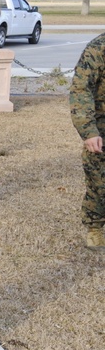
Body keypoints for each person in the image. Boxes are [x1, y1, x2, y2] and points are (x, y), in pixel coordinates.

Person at [69, 31, 105, 249]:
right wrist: (89, 131)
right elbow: (81, 89)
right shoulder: (98, 48)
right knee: (99, 181)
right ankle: (95, 227)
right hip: (101, 126)